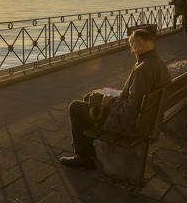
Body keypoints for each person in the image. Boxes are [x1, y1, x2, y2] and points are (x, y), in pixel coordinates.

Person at [59, 30, 171, 169]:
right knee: (91, 97)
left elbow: (130, 110)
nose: (131, 50)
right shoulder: (158, 63)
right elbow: (138, 99)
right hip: (148, 118)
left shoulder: (142, 70)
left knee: (75, 107)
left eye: (132, 45)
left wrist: (110, 102)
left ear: (140, 44)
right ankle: (84, 142)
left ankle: (83, 157)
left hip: (131, 125)